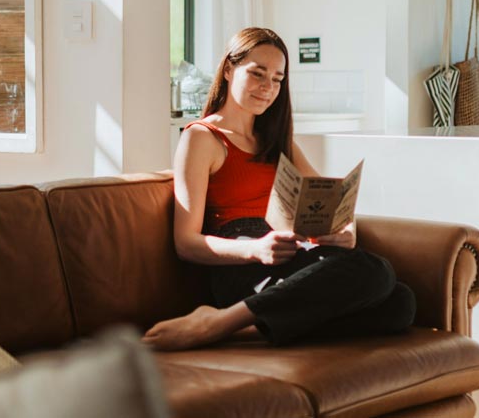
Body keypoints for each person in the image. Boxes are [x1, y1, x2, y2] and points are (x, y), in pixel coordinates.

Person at [143, 27, 415, 351]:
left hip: (289, 257)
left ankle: (238, 330)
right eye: (257, 74)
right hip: (242, 265)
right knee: (375, 271)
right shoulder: (201, 138)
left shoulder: (276, 141)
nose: (267, 87)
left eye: (277, 79)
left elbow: (332, 199)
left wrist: (346, 231)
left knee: (402, 303)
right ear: (228, 69)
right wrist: (256, 249)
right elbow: (185, 243)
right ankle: (221, 320)